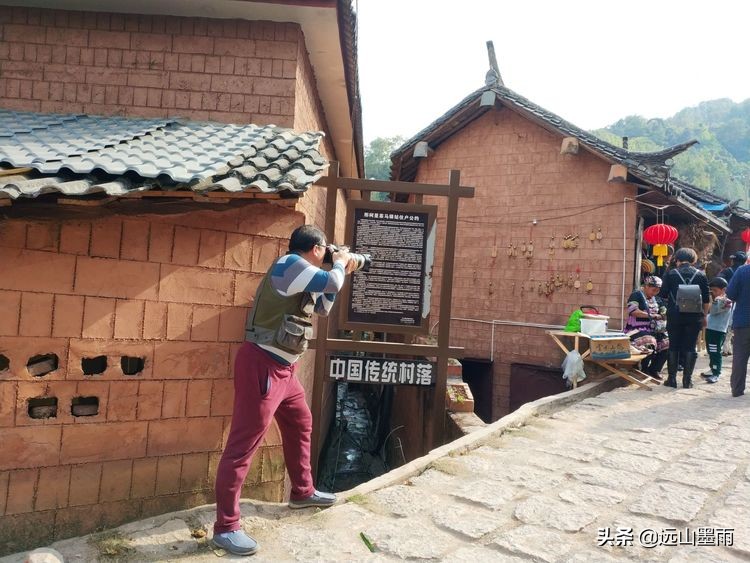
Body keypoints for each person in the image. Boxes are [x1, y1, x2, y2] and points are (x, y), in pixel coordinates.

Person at [212, 225, 355, 556]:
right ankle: (226, 527)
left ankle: (302, 492)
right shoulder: (289, 265)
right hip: (262, 364)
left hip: (284, 370)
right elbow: (333, 280)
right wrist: (341, 261)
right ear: (316, 248)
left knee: (301, 422)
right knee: (243, 445)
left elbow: (323, 307)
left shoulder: (304, 276)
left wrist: (336, 267)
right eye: (325, 251)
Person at [659, 247, 710, 388]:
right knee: (690, 347)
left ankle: (672, 379)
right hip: (694, 317)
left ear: (677, 259)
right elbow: (706, 298)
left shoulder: (671, 274)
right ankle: (687, 381)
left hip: (675, 315)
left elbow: (663, 294)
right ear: (693, 260)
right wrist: (704, 316)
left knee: (674, 346)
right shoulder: (701, 275)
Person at [624, 276, 669, 379]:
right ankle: (643, 368)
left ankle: (654, 369)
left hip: (654, 329)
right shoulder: (636, 295)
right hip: (636, 329)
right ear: (646, 286)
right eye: (653, 290)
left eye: (657, 291)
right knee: (649, 341)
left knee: (668, 343)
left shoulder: (657, 298)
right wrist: (651, 315)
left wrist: (663, 313)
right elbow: (633, 311)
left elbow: (663, 310)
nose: (655, 293)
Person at [700, 277, 733, 384]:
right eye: (712, 290)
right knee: (711, 351)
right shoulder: (719, 300)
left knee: (715, 352)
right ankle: (712, 369)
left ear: (723, 289)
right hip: (711, 329)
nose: (713, 293)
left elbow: (713, 311)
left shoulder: (726, 301)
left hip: (717, 331)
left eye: (715, 290)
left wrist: (715, 301)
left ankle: (716, 373)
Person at [727, 260, 750, 397]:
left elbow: (730, 293)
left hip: (743, 321)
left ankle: (737, 389)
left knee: (740, 357)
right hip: (743, 320)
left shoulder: (742, 271)